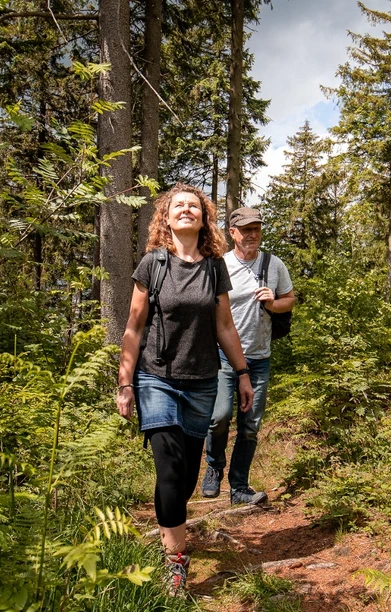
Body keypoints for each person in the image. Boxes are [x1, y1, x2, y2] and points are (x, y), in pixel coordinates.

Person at [115, 184, 255, 596]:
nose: (186, 210)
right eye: (179, 206)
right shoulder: (152, 265)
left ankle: (170, 531)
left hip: (202, 380)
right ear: (167, 217)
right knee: (170, 469)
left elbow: (225, 327)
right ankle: (176, 562)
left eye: (194, 206)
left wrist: (243, 373)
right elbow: (133, 327)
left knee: (188, 475)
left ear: (204, 217)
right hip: (156, 377)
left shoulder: (214, 268)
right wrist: (125, 383)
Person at [201, 206, 296, 505]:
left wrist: (273, 302)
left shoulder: (274, 264)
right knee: (218, 417)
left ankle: (239, 487)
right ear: (232, 233)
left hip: (259, 357)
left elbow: (290, 301)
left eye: (256, 228)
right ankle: (214, 467)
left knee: (250, 425)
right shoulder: (220, 265)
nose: (252, 234)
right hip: (224, 356)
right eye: (245, 229)